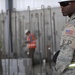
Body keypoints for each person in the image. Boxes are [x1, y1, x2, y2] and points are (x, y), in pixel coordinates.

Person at [53, 0, 75, 75]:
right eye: (60, 4)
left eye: (64, 4)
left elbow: (64, 59)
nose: (61, 7)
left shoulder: (72, 26)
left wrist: (56, 71)